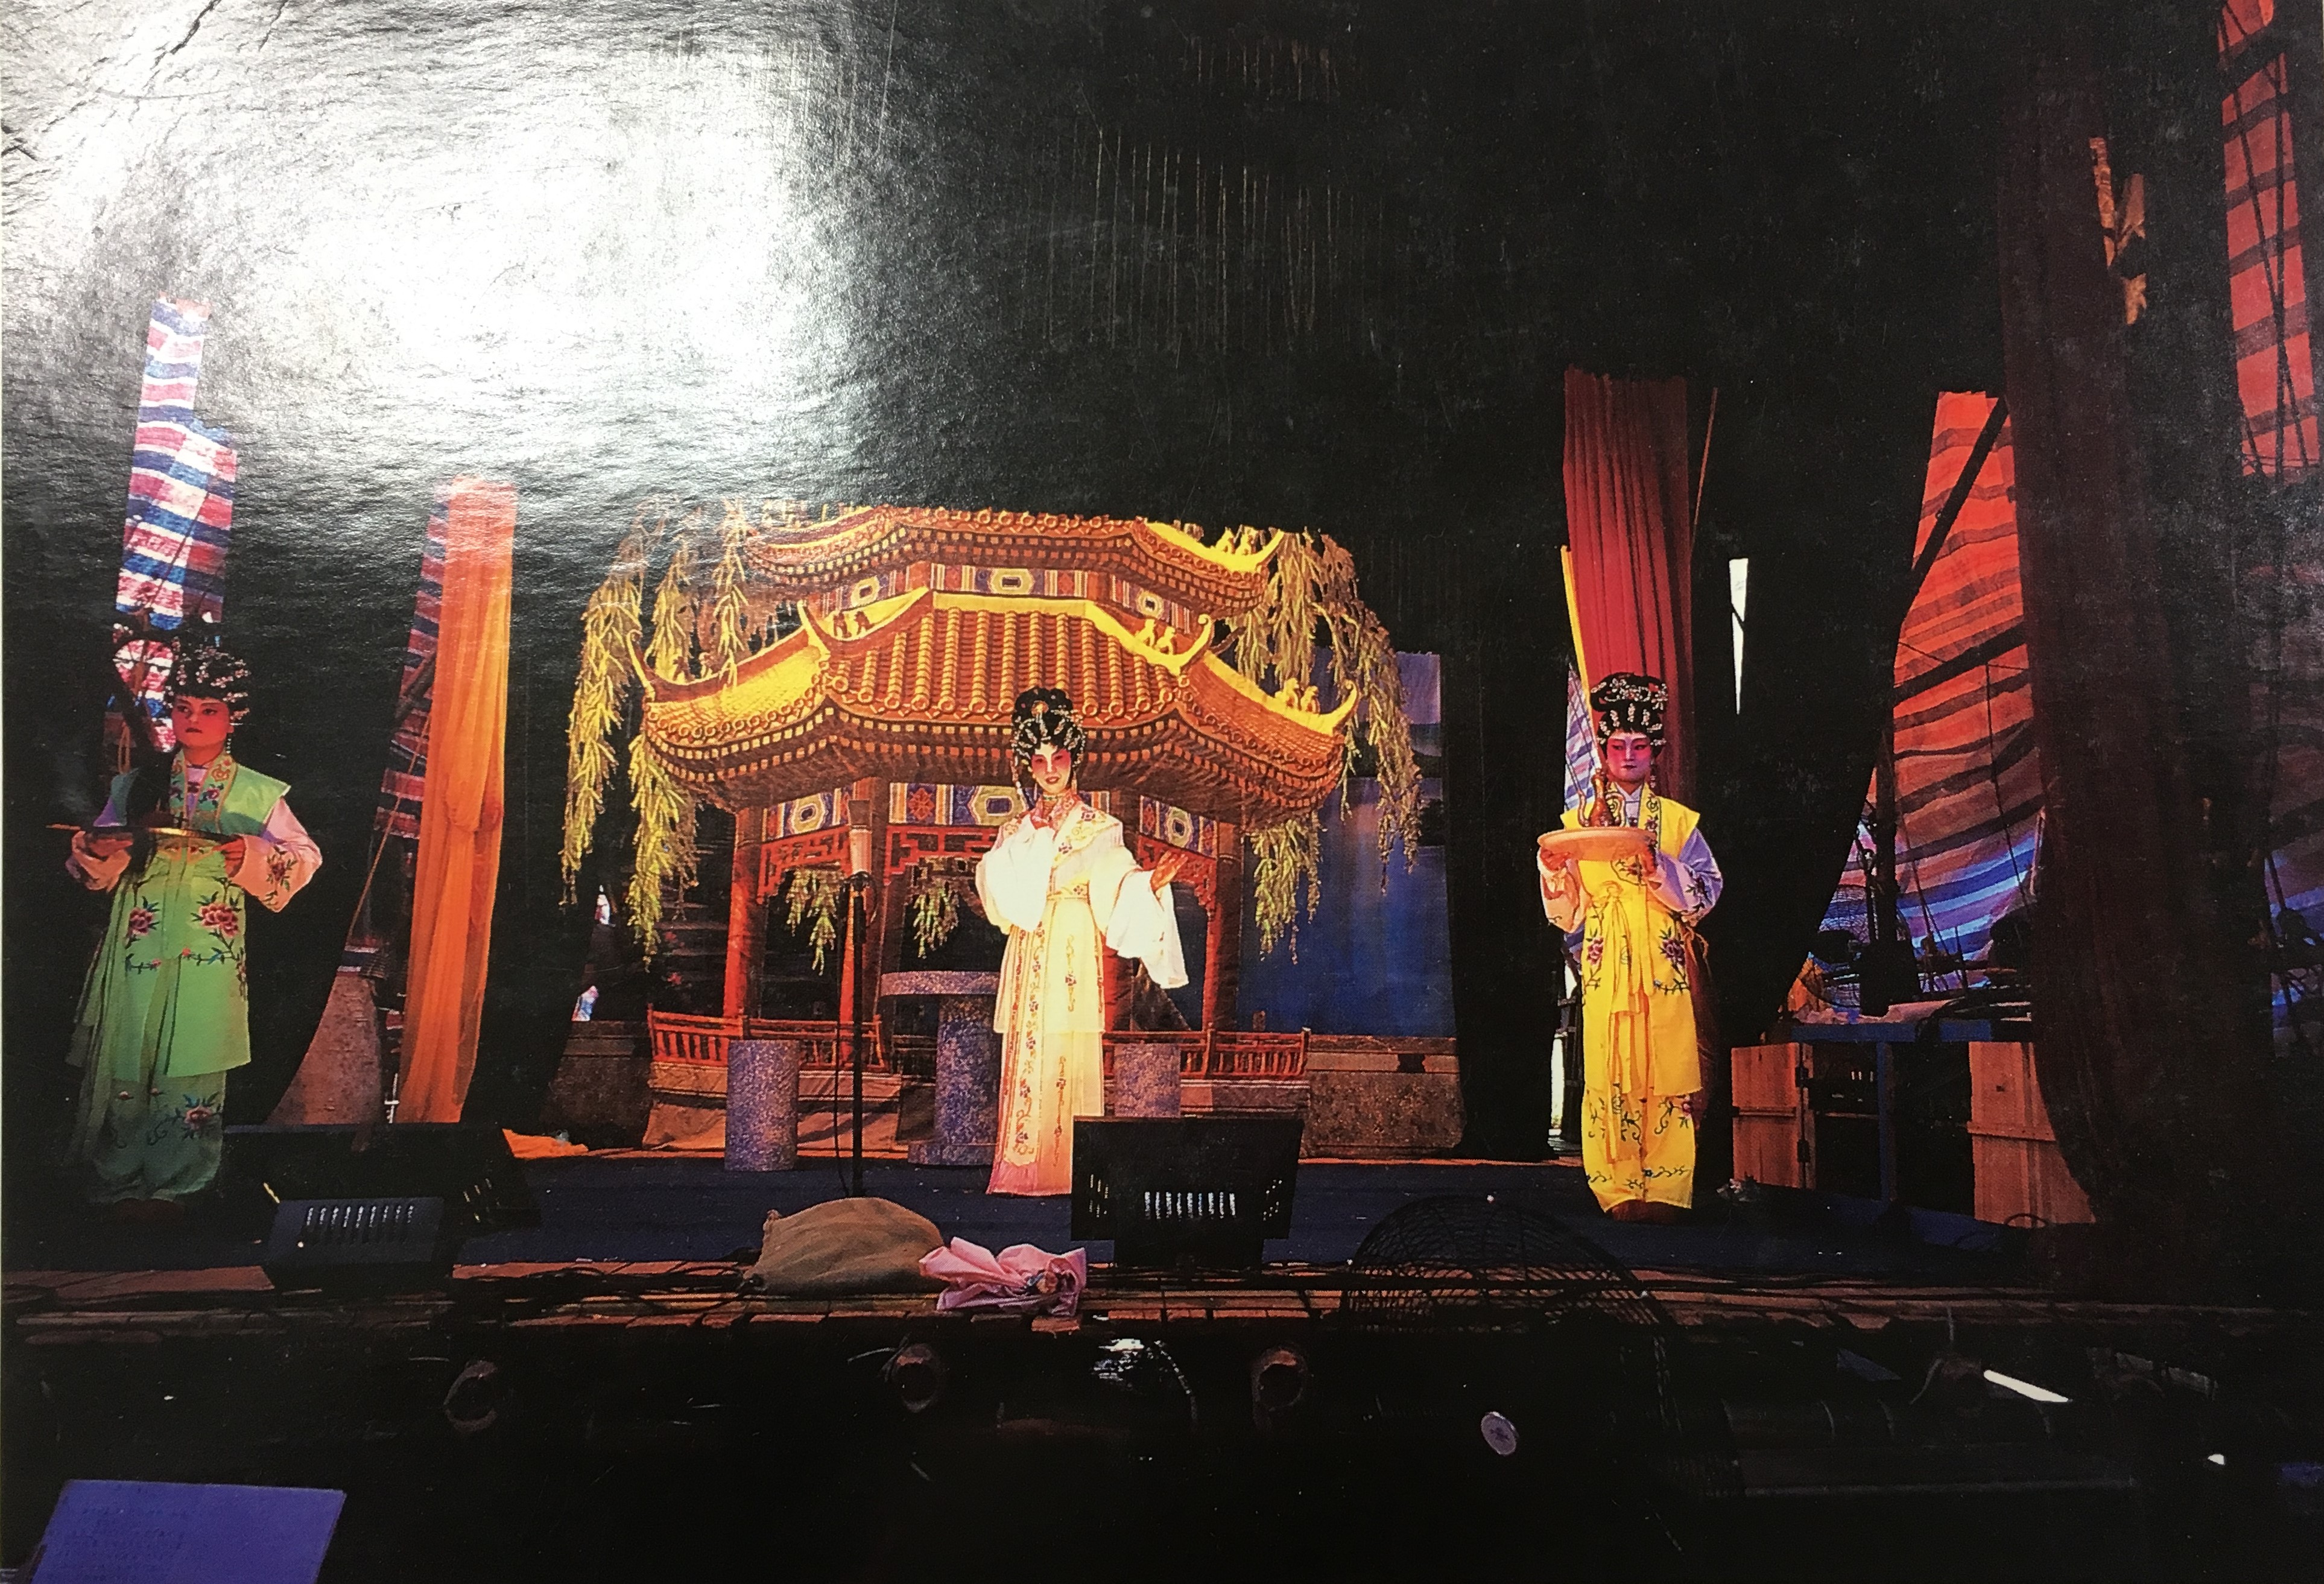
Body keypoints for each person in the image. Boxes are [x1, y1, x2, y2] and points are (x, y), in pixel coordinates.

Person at [65, 646, 322, 1220]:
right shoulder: (137, 784)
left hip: (209, 946)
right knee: (130, 1049)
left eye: (209, 710)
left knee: (193, 1052)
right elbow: (92, 859)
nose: (194, 720)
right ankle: (117, 1180)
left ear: (233, 718)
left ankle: (178, 1186)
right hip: (137, 937)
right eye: (183, 707)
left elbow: (306, 857)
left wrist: (250, 853)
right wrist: (101, 848)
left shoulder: (258, 792)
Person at [975, 688, 1186, 1196]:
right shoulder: (1015, 828)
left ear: (1075, 762)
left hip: (1070, 938)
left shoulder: (1100, 827)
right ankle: (1021, 1164)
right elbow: (992, 887)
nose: (1050, 770)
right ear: (1028, 767)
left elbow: (1117, 883)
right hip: (1028, 942)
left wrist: (1149, 885)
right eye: (1039, 760)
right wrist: (1024, 847)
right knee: (1028, 1044)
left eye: (1059, 759)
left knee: (1066, 1045)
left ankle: (1068, 1164)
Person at [1537, 673, 1721, 1222]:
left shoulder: (1680, 824)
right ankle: (1616, 1187)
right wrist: (1553, 871)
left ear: (1654, 752)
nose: (1627, 756)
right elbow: (1566, 913)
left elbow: (1706, 893)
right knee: (1611, 1064)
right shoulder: (1575, 825)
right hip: (1607, 955)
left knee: (1666, 1065)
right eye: (1617, 746)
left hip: (1661, 952)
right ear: (1604, 751)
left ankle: (1666, 1186)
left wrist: (1658, 867)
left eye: (1638, 746)